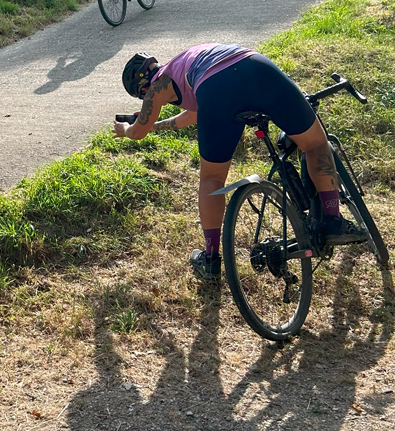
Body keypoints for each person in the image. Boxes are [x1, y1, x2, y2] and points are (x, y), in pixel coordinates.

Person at [114, 46, 367, 279]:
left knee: (212, 178)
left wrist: (126, 129)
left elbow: (138, 131)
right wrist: (156, 125)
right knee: (314, 143)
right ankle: (332, 219)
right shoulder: (184, 66)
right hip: (253, 65)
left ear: (143, 90)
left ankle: (211, 259)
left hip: (217, 88)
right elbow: (191, 115)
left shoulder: (158, 84)